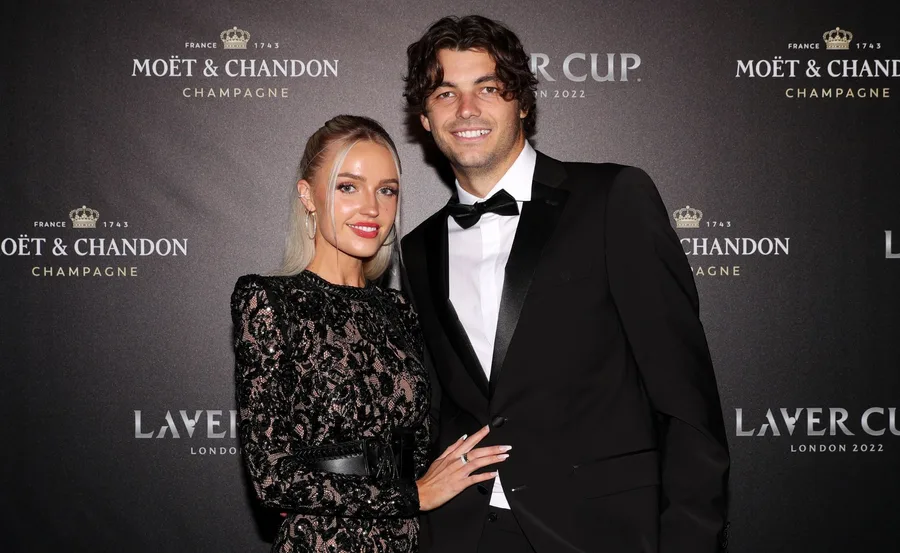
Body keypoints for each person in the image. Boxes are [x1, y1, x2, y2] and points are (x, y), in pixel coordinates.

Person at [400, 16, 730, 553]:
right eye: (445, 93)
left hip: (601, 531)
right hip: (466, 533)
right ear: (425, 116)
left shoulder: (612, 198)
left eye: (488, 88)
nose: (466, 110)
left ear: (522, 103)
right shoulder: (417, 248)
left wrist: (692, 540)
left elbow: (685, 398)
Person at [231, 115, 510, 553]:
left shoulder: (399, 309)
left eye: (387, 190)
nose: (372, 208)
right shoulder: (269, 300)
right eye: (347, 187)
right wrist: (414, 495)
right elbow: (271, 477)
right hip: (323, 542)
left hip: (409, 541)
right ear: (308, 196)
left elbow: (420, 443)